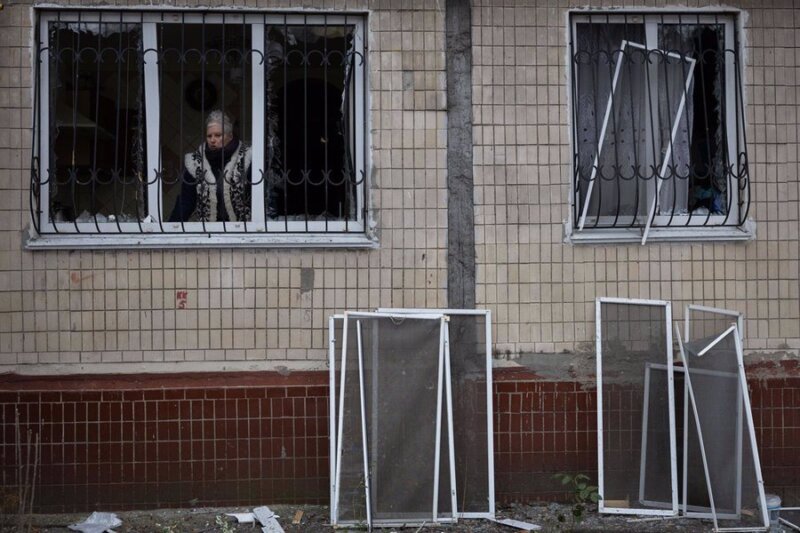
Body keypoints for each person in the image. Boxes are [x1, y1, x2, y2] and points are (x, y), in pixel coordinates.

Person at [169, 110, 252, 222]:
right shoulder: (195, 162)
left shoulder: (246, 158)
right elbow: (186, 202)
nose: (212, 140)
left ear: (230, 136)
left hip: (243, 228)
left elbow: (257, 198)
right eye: (209, 136)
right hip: (208, 230)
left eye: (218, 135)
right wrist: (171, 227)